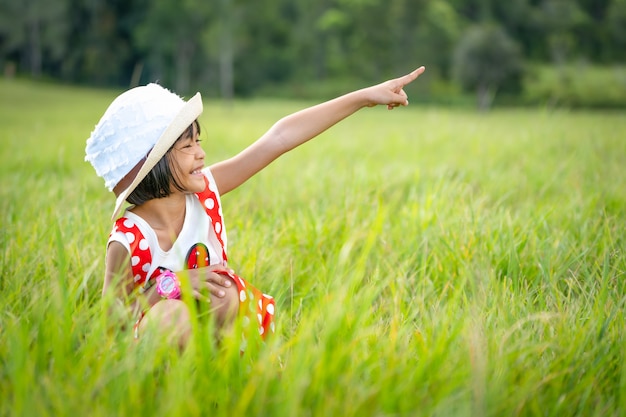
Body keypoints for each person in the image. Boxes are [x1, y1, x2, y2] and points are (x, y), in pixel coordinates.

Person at [85, 66, 426, 349]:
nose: (201, 153)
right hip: (155, 342)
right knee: (174, 315)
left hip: (214, 335)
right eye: (187, 146)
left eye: (198, 141)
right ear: (153, 166)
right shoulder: (129, 241)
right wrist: (171, 286)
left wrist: (364, 97)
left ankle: (225, 379)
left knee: (224, 292)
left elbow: (278, 138)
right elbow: (113, 322)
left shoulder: (205, 194)